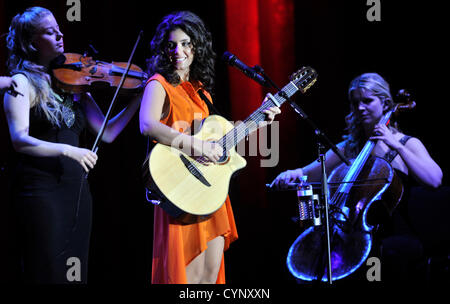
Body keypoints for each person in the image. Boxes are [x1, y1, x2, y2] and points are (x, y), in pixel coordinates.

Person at [140, 11, 280, 284]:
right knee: (186, 279)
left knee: (209, 278)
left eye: (185, 43)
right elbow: (147, 125)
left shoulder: (200, 90)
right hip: (179, 189)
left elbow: (221, 138)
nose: (178, 51)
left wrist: (259, 121)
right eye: (171, 45)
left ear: (197, 47)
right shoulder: (158, 84)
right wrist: (196, 146)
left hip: (209, 191)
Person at [3, 7, 141, 284]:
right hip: (41, 193)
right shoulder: (21, 82)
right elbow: (19, 140)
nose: (60, 34)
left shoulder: (72, 83)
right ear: (32, 42)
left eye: (59, 29)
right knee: (48, 274)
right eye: (50, 31)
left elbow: (108, 132)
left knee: (76, 275)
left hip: (76, 192)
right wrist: (71, 150)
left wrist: (140, 97)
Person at [271, 72, 443, 280]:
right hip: (352, 233)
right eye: (355, 102)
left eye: (368, 101)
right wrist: (290, 174)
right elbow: (307, 173)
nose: (360, 108)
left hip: (395, 233)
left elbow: (434, 180)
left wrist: (395, 144)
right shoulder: (350, 147)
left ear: (386, 103)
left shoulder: (406, 143)